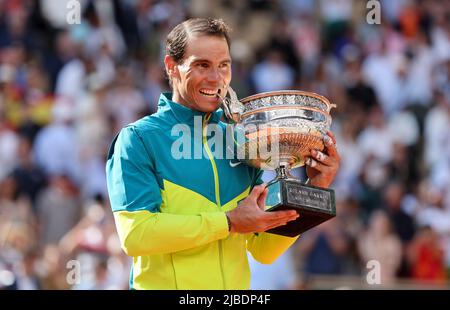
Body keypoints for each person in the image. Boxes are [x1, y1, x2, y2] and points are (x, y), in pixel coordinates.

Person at [106, 18, 340, 290]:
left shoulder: (241, 140)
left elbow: (263, 249)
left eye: (223, 65)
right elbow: (136, 235)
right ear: (172, 67)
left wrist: (314, 189)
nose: (216, 78)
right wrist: (227, 223)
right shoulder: (139, 139)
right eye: (202, 65)